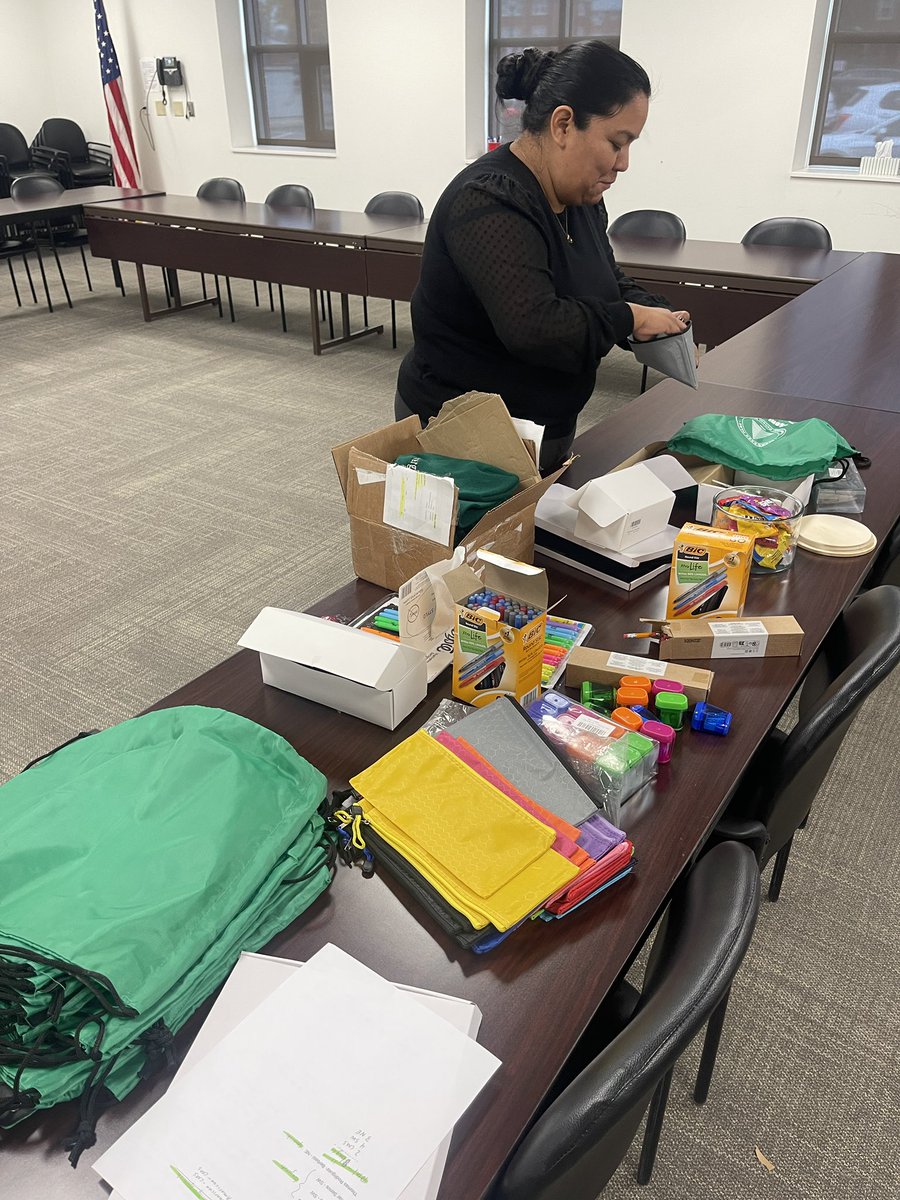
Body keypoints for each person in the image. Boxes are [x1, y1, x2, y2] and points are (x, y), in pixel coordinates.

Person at [395, 40, 690, 472]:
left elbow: (604, 279)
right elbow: (534, 327)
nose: (624, 163)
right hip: (462, 438)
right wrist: (629, 318)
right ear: (563, 124)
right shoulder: (489, 199)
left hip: (542, 426)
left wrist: (656, 313)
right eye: (617, 142)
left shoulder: (580, 199)